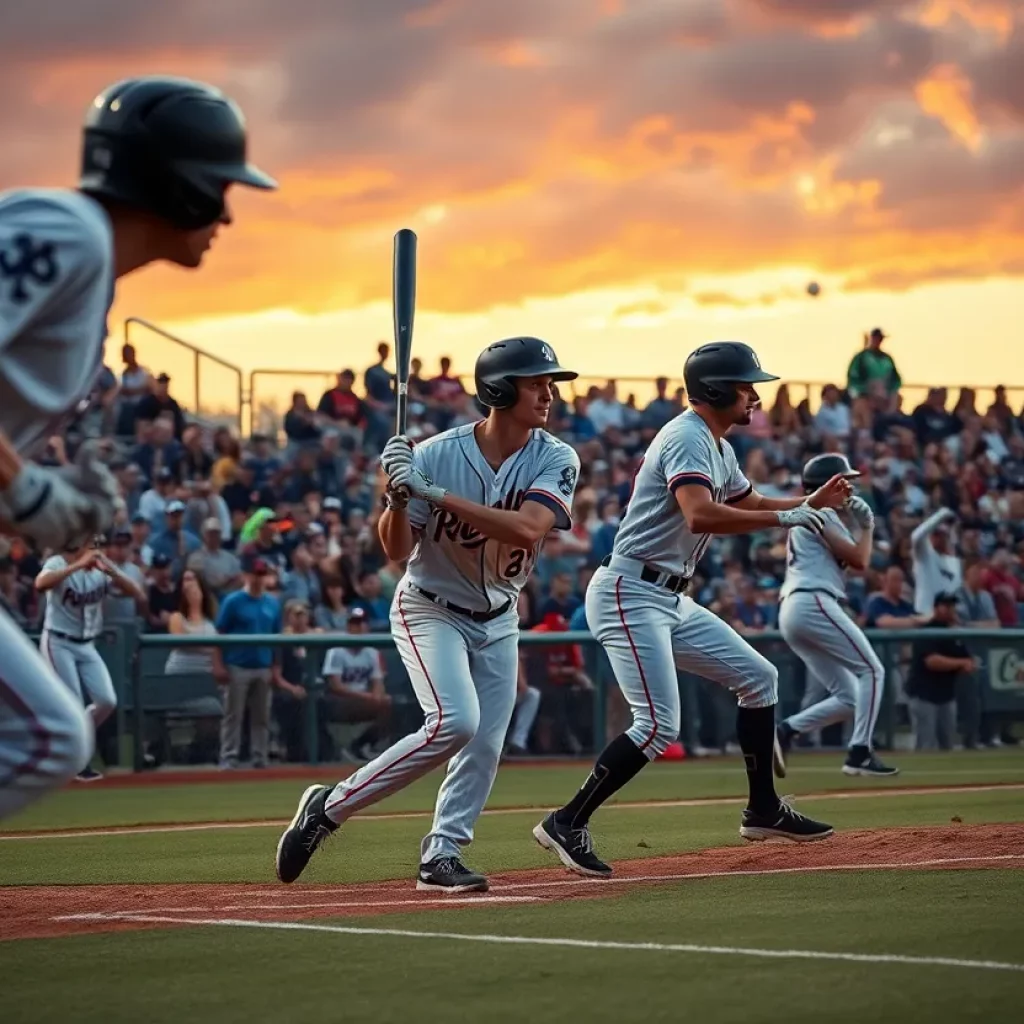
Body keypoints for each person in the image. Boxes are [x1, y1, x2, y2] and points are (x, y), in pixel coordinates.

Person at [0, 74, 273, 819]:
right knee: (48, 736)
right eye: (220, 186)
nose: (225, 214)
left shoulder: (90, 281)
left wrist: (35, 510)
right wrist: (27, 492)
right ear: (178, 185)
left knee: (48, 735)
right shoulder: (68, 230)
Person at [276, 336, 581, 891]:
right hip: (429, 608)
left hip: (499, 615)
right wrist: (395, 497)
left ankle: (440, 854)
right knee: (455, 722)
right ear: (498, 389)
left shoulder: (556, 456)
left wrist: (431, 492)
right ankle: (327, 809)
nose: (549, 393)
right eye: (537, 382)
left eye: (550, 382)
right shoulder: (437, 453)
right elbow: (395, 550)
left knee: (487, 741)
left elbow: (529, 528)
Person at [532, 341, 847, 879]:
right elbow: (700, 515)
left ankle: (763, 810)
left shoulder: (717, 445)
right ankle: (566, 821)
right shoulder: (685, 436)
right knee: (657, 725)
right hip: (630, 592)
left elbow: (747, 502)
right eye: (746, 386)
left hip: (667, 595)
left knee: (760, 677)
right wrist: (787, 520)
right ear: (718, 390)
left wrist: (804, 505)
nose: (754, 395)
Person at [775, 453, 898, 777]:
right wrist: (867, 527)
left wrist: (859, 527)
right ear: (829, 485)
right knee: (873, 670)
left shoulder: (816, 514)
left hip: (795, 607)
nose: (850, 488)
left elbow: (853, 562)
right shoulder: (823, 512)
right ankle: (859, 752)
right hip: (812, 601)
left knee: (850, 696)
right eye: (844, 481)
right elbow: (861, 560)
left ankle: (786, 730)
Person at [36, 538, 146, 780]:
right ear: (79, 546)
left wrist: (110, 569)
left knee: (107, 701)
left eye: (100, 545)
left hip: (87, 645)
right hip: (58, 641)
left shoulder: (100, 571)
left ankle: (69, 746)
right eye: (93, 545)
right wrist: (77, 565)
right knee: (73, 704)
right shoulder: (58, 562)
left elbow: (136, 592)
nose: (98, 550)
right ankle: (77, 761)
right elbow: (40, 583)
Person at [214, 553, 283, 769]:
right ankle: (229, 757)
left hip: (262, 665)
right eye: (255, 574)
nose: (258, 578)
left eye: (262, 574)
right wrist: (218, 664)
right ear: (245, 575)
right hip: (237, 665)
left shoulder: (272, 603)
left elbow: (277, 639)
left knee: (261, 717)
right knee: (233, 715)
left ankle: (259, 757)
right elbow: (219, 634)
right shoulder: (233, 601)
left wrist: (276, 668)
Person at [905, 593, 978, 750]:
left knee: (947, 747)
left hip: (946, 696)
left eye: (952, 606)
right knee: (926, 746)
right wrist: (961, 663)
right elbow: (932, 661)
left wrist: (968, 664)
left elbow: (967, 659)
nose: (950, 609)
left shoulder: (955, 633)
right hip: (924, 696)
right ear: (936, 608)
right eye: (946, 605)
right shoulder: (927, 630)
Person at [320, 608, 392, 763]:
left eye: (361, 624)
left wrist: (377, 696)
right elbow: (335, 686)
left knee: (388, 704)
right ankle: (356, 748)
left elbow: (377, 682)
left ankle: (361, 745)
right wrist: (369, 697)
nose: (358, 627)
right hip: (338, 701)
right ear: (348, 627)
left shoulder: (371, 651)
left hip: (363, 700)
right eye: (354, 624)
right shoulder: (337, 650)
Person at [164, 569, 219, 677]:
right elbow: (181, 642)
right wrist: (211, 647)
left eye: (192, 579)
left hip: (206, 673)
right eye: (186, 580)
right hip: (180, 672)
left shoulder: (213, 617)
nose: (190, 584)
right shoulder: (176, 617)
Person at [911, 507, 961, 614]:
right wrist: (941, 515)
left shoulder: (954, 562)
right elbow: (916, 537)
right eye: (935, 534)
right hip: (924, 614)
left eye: (942, 535)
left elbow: (953, 590)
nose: (938, 538)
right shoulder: (925, 554)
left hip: (946, 617)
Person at [846, 328, 901, 399]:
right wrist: (866, 388)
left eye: (880, 339)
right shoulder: (861, 357)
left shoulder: (887, 359)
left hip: (884, 396)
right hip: (865, 395)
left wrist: (888, 389)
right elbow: (853, 377)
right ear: (871, 338)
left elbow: (896, 380)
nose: (878, 341)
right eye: (875, 338)